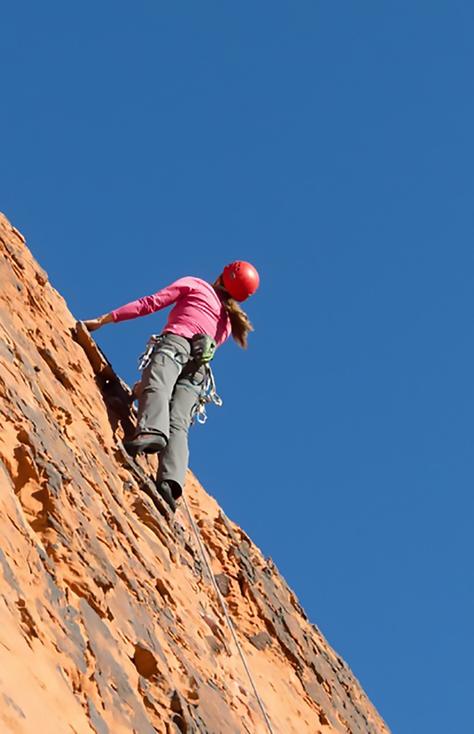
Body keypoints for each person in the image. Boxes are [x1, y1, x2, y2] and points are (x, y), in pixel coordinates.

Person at [83, 261, 259, 512]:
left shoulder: (196, 285)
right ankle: (170, 482)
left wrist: (105, 319)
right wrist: (135, 390)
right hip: (198, 373)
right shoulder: (227, 324)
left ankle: (151, 432)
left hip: (176, 345)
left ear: (221, 276)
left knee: (159, 384)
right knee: (178, 421)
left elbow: (150, 303)